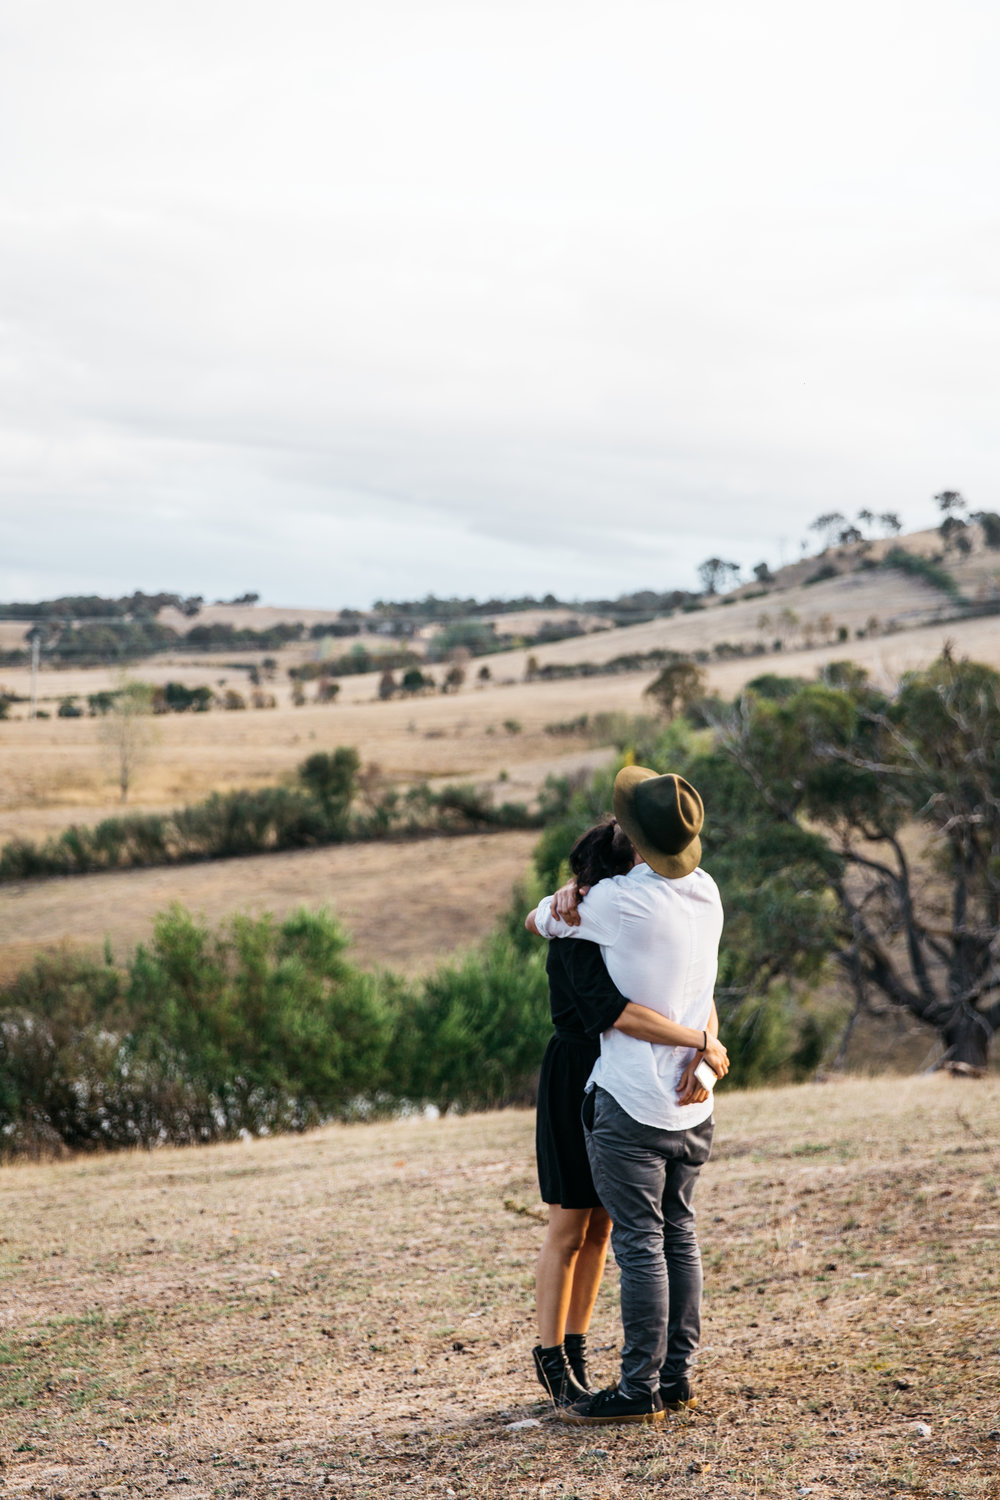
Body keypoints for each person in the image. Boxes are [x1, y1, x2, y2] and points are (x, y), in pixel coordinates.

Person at [526, 767, 725, 1426]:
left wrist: (565, 897)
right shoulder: (702, 893)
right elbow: (689, 993)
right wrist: (706, 1048)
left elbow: (539, 922)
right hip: (621, 1087)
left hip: (630, 1093)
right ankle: (599, 1366)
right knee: (609, 1229)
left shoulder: (612, 909)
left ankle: (633, 1380)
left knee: (624, 1236)